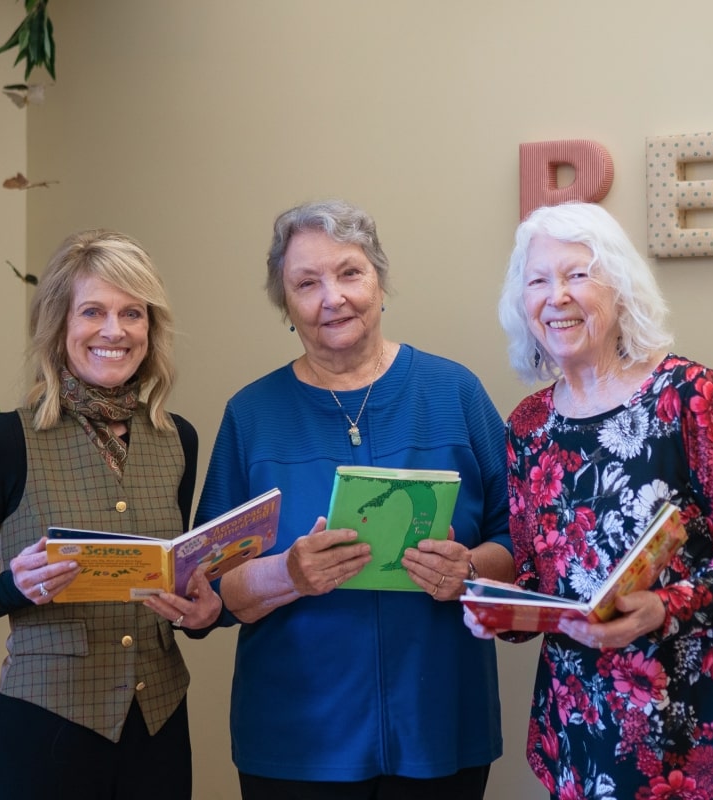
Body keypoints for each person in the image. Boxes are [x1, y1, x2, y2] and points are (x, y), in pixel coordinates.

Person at [195, 199, 513, 799]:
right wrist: (288, 574)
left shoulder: (455, 392)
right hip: (296, 740)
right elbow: (208, 583)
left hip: (440, 726)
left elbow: (523, 541)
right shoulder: (251, 416)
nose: (331, 297)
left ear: (380, 281)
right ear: (285, 305)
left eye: (349, 272)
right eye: (305, 283)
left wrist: (468, 569)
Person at [468, 202, 713, 800]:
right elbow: (539, 577)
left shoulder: (687, 394)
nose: (555, 296)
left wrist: (664, 607)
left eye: (578, 275)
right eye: (538, 280)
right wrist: (501, 611)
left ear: (620, 287)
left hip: (699, 722)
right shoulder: (528, 427)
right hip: (582, 731)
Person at [0, 229, 219, 800]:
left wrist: (203, 612)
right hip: (46, 731)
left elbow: (177, 577)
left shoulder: (178, 438)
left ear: (149, 328)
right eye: (93, 311)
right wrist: (15, 587)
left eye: (132, 313)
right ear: (59, 323)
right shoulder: (2, 442)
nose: (114, 331)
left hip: (159, 730)